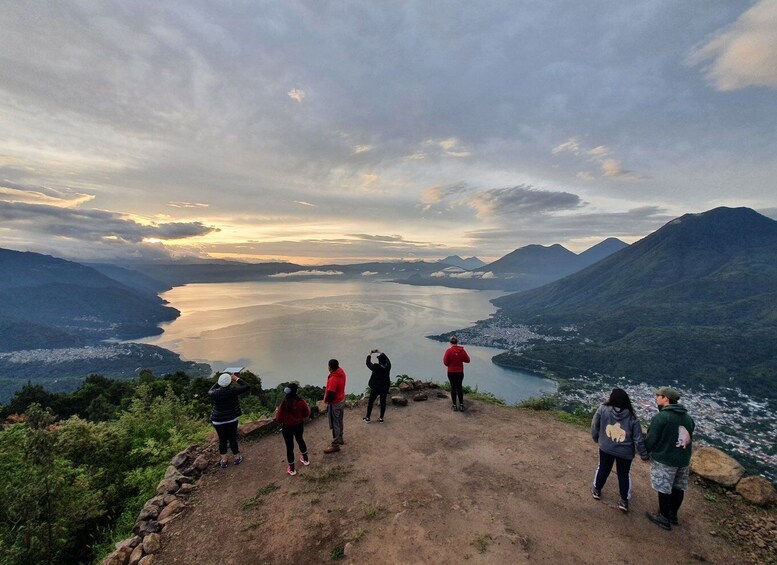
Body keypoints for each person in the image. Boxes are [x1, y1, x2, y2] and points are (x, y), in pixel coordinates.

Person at [644, 386, 695, 531]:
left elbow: (651, 438)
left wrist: (644, 452)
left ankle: (663, 517)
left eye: (658, 396)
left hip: (665, 458)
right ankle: (673, 514)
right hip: (683, 459)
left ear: (666, 398)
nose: (656, 398)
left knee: (664, 488)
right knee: (678, 487)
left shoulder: (662, 417)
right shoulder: (688, 418)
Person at [590, 388, 649, 513]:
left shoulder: (603, 409)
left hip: (606, 447)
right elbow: (638, 439)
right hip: (625, 452)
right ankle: (624, 500)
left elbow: (595, 425)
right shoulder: (632, 416)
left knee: (603, 468)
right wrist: (644, 455)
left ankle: (597, 490)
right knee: (623, 474)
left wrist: (597, 439)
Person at [208, 372, 250, 468]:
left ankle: (224, 460)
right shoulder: (233, 391)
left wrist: (219, 381)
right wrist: (236, 378)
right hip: (231, 419)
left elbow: (210, 390)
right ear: (230, 382)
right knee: (232, 438)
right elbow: (247, 386)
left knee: (222, 439)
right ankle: (236, 458)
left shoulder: (214, 393)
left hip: (217, 420)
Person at [274, 382, 311, 476]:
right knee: (300, 440)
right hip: (299, 425)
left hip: (287, 428)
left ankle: (292, 469)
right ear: (296, 391)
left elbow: (278, 419)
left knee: (289, 447)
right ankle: (306, 459)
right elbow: (306, 414)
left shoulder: (284, 404)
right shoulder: (301, 402)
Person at [323, 359, 347, 454]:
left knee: (335, 423)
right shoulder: (341, 372)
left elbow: (331, 394)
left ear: (330, 367)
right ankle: (340, 438)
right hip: (341, 399)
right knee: (340, 420)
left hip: (335, 403)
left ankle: (335, 444)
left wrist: (326, 401)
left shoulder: (333, 379)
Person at [443, 336, 470, 412]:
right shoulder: (462, 351)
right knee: (459, 387)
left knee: (453, 388)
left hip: (451, 372)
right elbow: (468, 360)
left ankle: (454, 405)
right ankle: (461, 405)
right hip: (460, 372)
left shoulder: (449, 351)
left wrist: (451, 363)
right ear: (457, 342)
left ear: (450, 342)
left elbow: (445, 362)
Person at [363, 349, 391, 423]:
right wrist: (380, 352)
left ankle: (368, 418)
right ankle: (381, 418)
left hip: (376, 387)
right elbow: (387, 359)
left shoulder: (376, 367)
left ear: (379, 360)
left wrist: (370, 354)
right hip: (384, 387)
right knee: (383, 402)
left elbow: (368, 363)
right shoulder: (388, 366)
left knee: (371, 402)